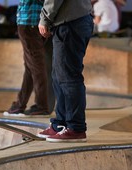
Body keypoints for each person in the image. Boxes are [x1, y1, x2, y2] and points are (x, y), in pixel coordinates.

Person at [37, 0, 93, 142]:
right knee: (59, 77)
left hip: (70, 22)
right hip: (73, 21)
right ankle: (61, 124)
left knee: (68, 78)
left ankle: (76, 127)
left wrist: (45, 18)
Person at [3, 0, 54, 117]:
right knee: (31, 67)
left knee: (36, 67)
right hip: (34, 23)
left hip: (29, 23)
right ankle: (20, 105)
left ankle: (41, 106)